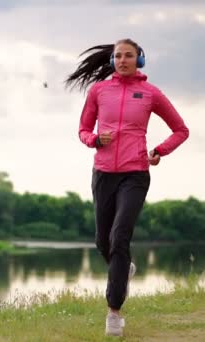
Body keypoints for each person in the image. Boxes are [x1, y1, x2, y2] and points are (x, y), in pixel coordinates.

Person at [66, 38, 189, 337]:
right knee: (102, 241)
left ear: (140, 59)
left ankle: (114, 313)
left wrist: (159, 151)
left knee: (119, 236)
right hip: (104, 173)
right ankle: (124, 269)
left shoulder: (150, 93)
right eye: (118, 56)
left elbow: (181, 130)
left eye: (128, 55)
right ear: (112, 61)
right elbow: (83, 128)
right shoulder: (99, 91)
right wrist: (94, 140)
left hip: (135, 174)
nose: (122, 60)